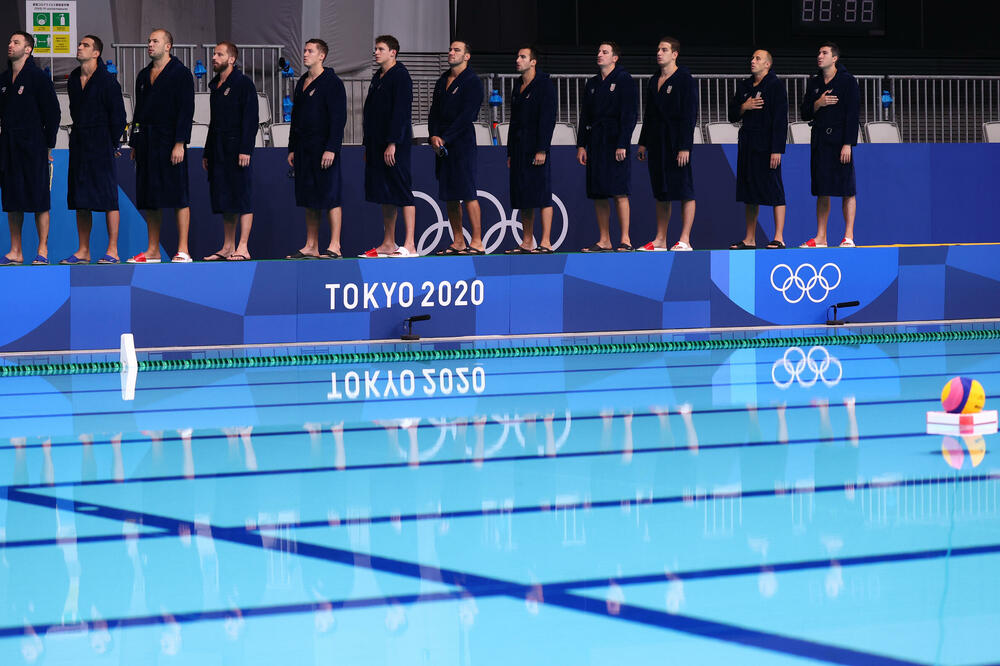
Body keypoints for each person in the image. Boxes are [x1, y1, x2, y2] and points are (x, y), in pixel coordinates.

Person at [128, 29, 195, 263]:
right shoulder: (143, 75)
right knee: (150, 197)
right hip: (147, 141)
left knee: (178, 196)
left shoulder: (181, 74)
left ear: (168, 46)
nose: (150, 44)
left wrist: (180, 142)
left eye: (155, 41)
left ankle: (183, 249)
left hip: (170, 141)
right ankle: (153, 250)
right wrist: (134, 142)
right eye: (148, 41)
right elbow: (138, 112)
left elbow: (186, 111)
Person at [62, 35, 127, 264]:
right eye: (79, 44)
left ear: (96, 53)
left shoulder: (108, 82)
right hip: (79, 142)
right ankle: (83, 251)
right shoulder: (72, 80)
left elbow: (119, 117)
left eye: (85, 45)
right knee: (80, 198)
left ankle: (113, 251)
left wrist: (110, 143)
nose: (79, 47)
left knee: (109, 198)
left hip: (101, 143)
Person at [0, 32, 59, 266]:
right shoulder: (4, 79)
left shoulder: (38, 77)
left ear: (28, 49)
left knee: (39, 198)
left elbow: (53, 113)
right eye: (9, 41)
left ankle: (42, 249)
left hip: (34, 144)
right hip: (9, 146)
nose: (10, 45)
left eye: (16, 42)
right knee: (12, 198)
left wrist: (48, 144)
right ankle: (15, 251)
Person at [286, 38, 346, 259]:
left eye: (310, 51)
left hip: (324, 149)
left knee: (330, 196)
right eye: (304, 50)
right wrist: (292, 148)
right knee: (309, 197)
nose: (305, 54)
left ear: (322, 55)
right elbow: (296, 119)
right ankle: (311, 245)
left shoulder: (332, 82)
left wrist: (331, 148)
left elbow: (338, 119)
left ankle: (335, 245)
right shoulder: (302, 81)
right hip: (304, 149)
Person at [636, 37, 697, 252]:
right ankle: (660, 239)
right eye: (658, 49)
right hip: (657, 143)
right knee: (662, 192)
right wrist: (643, 143)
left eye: (664, 50)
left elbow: (690, 116)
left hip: (676, 143)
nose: (659, 53)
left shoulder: (685, 79)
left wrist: (684, 146)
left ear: (675, 54)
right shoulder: (654, 80)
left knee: (684, 191)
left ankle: (685, 239)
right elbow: (649, 115)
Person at [577, 41, 637, 252]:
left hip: (615, 142)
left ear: (615, 57)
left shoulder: (623, 79)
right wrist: (581, 144)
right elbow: (585, 115)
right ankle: (604, 240)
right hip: (595, 142)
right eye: (598, 51)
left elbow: (629, 115)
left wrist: (622, 143)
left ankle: (625, 239)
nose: (599, 54)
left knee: (619, 191)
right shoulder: (592, 83)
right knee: (599, 193)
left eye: (604, 52)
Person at [360, 34, 415, 258]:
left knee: (402, 191)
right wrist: (368, 145)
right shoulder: (378, 77)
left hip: (396, 144)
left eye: (381, 49)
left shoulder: (401, 76)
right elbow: (371, 112)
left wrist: (393, 142)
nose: (376, 52)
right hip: (376, 144)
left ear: (393, 52)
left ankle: (410, 244)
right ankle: (388, 243)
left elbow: (401, 112)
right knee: (385, 194)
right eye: (375, 48)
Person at [800, 42, 859, 248]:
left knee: (847, 189)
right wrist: (819, 103)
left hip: (840, 141)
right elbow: (805, 112)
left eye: (824, 53)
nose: (819, 56)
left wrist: (848, 144)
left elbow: (853, 115)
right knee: (821, 190)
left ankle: (848, 236)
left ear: (835, 58)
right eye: (818, 52)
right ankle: (821, 237)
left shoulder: (848, 81)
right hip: (820, 141)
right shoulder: (814, 82)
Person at [202, 41, 257, 261]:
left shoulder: (243, 84)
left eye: (219, 54)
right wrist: (207, 151)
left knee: (241, 197)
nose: (214, 57)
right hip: (218, 150)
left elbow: (251, 119)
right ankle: (228, 246)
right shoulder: (215, 86)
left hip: (237, 150)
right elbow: (213, 122)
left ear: (231, 59)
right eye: (214, 54)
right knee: (225, 199)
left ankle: (243, 247)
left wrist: (245, 149)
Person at [428, 40, 484, 255]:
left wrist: (446, 138)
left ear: (467, 56)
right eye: (450, 49)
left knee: (467, 192)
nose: (451, 52)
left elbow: (467, 116)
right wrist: (434, 135)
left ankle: (477, 242)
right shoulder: (443, 80)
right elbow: (434, 112)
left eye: (456, 50)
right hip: (440, 144)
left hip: (461, 143)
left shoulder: (472, 82)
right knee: (450, 195)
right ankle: (458, 241)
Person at [727, 49, 787, 249]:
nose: (752, 61)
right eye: (752, 57)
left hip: (767, 144)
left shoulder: (775, 85)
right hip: (747, 143)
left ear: (767, 64)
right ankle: (750, 239)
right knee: (749, 191)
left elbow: (780, 120)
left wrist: (776, 149)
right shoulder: (744, 86)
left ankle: (779, 237)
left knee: (775, 189)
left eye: (757, 58)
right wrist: (745, 106)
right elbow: (732, 115)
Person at [505, 45, 556, 254]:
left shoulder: (545, 84)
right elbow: (514, 122)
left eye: (523, 57)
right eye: (517, 56)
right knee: (523, 195)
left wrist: (542, 149)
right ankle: (527, 241)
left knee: (542, 194)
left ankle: (546, 242)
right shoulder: (517, 86)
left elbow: (547, 118)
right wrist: (509, 152)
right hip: (519, 148)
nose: (518, 60)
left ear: (533, 61)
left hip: (537, 148)